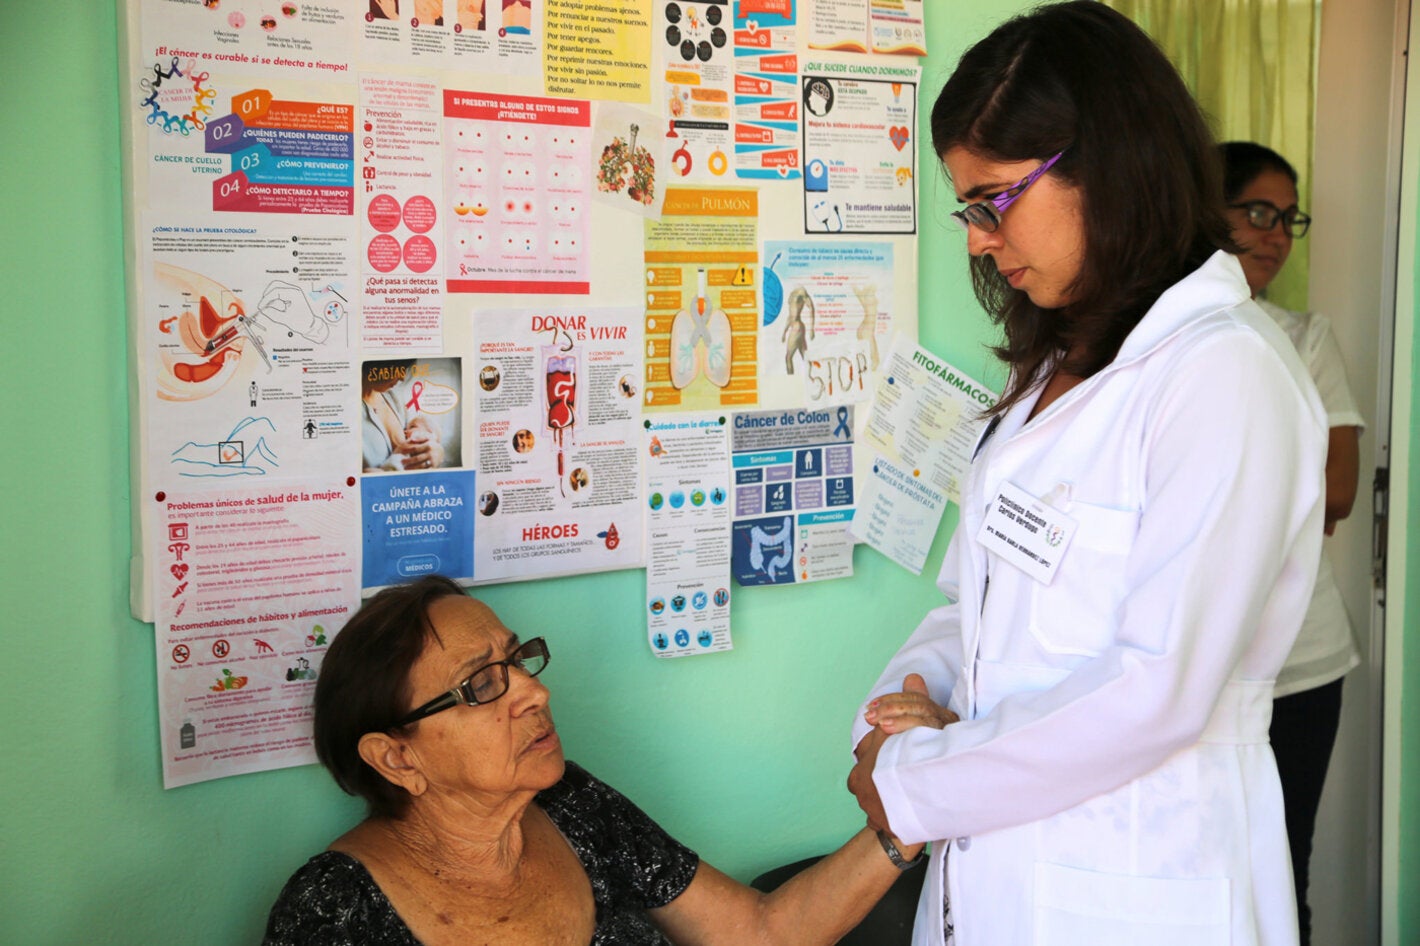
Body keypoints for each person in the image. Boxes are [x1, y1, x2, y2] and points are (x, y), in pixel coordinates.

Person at [844, 4, 1328, 945]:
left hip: (1141, 881)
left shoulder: (1225, 376)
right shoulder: (1054, 370)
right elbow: (969, 605)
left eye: (996, 198)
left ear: (1106, 163)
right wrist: (898, 709)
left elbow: (1159, 688)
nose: (979, 239)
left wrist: (918, 781)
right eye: (966, 208)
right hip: (996, 873)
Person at [264, 575, 924, 945]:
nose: (534, 690)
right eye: (481, 684)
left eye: (516, 660)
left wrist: (910, 812)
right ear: (396, 757)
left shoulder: (569, 805)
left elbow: (760, 932)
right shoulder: (334, 910)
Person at [1221, 140, 1365, 946]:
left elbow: (1339, 488)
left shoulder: (1305, 338)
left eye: (1288, 218)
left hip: (1306, 664)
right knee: (1210, 874)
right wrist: (1290, 487)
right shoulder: (1158, 334)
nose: (1277, 234)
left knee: (1282, 872)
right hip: (1205, 665)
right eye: (1259, 212)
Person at [362, 360, 446, 473]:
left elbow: (424, 429)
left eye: (404, 369)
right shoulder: (347, 412)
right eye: (397, 368)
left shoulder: (394, 396)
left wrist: (437, 452)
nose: (402, 377)